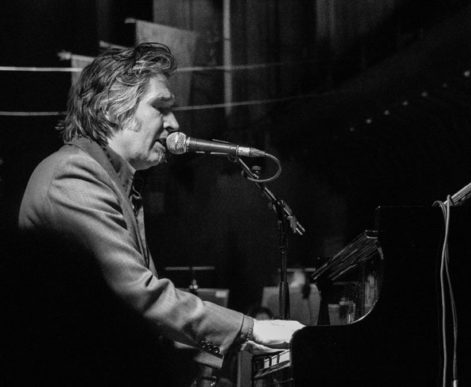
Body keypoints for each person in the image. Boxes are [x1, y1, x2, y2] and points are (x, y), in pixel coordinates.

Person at [18, 42, 303, 381]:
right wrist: (250, 329)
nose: (175, 123)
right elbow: (139, 297)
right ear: (112, 109)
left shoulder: (112, 180)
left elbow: (138, 320)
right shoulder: (73, 176)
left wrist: (230, 351)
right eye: (161, 108)